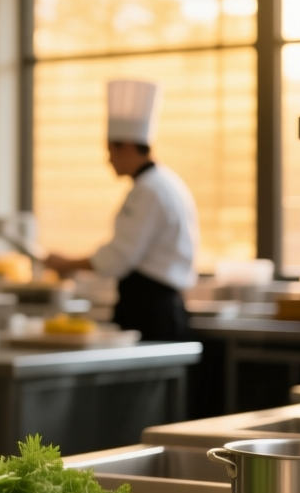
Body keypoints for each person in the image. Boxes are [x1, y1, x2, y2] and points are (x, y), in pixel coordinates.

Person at [44, 79, 199, 340]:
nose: (108, 161)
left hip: (150, 310)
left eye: (110, 152)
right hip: (157, 306)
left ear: (126, 146)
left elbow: (118, 257)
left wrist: (65, 263)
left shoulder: (149, 191)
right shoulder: (164, 183)